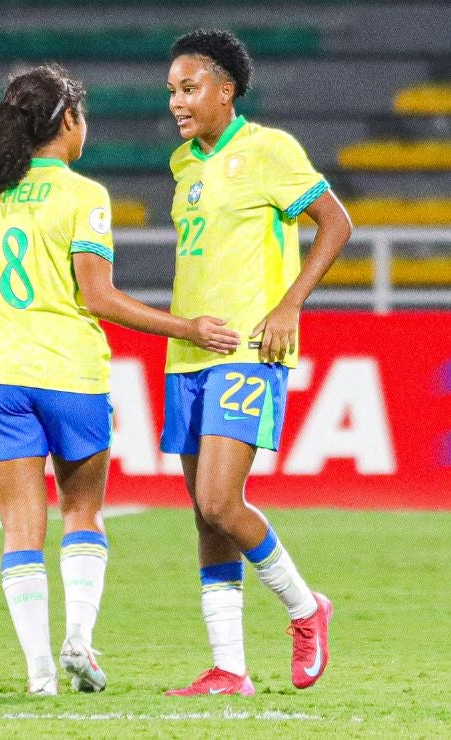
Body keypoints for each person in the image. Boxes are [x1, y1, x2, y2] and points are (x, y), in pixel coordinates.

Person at [0, 64, 239, 697]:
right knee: (83, 509)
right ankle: (79, 635)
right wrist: (188, 328)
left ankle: (39, 673)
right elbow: (98, 298)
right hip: (69, 372)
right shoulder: (83, 196)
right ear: (67, 121)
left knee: (21, 527)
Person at [160, 29, 351, 697]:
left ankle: (306, 608)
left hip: (248, 350)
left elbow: (335, 222)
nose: (178, 102)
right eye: (172, 92)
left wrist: (289, 305)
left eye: (189, 89)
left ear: (226, 90)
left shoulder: (270, 150)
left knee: (220, 498)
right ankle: (229, 668)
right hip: (187, 354)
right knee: (203, 513)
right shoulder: (183, 165)